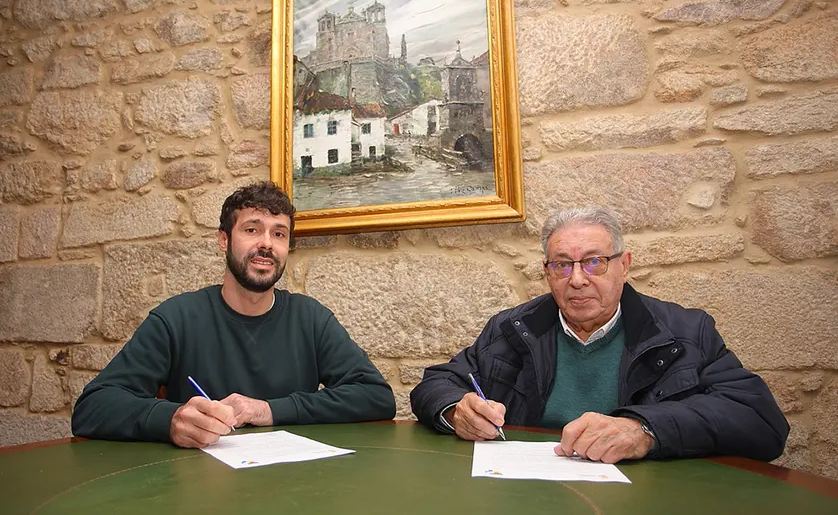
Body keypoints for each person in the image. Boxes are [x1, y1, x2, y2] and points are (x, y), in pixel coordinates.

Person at [410, 207, 788, 463]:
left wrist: (646, 430)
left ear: (624, 265)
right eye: (562, 265)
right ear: (547, 271)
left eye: (594, 261)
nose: (577, 279)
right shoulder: (513, 328)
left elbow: (760, 421)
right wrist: (453, 410)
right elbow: (437, 382)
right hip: (530, 492)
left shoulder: (684, 332)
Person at [73, 181, 396, 448]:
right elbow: (92, 408)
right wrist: (169, 420)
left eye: (279, 234)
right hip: (200, 491)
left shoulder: (310, 319)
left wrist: (269, 410)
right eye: (252, 230)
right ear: (223, 240)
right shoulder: (177, 318)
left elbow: (376, 397)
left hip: (296, 487)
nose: (266, 244)